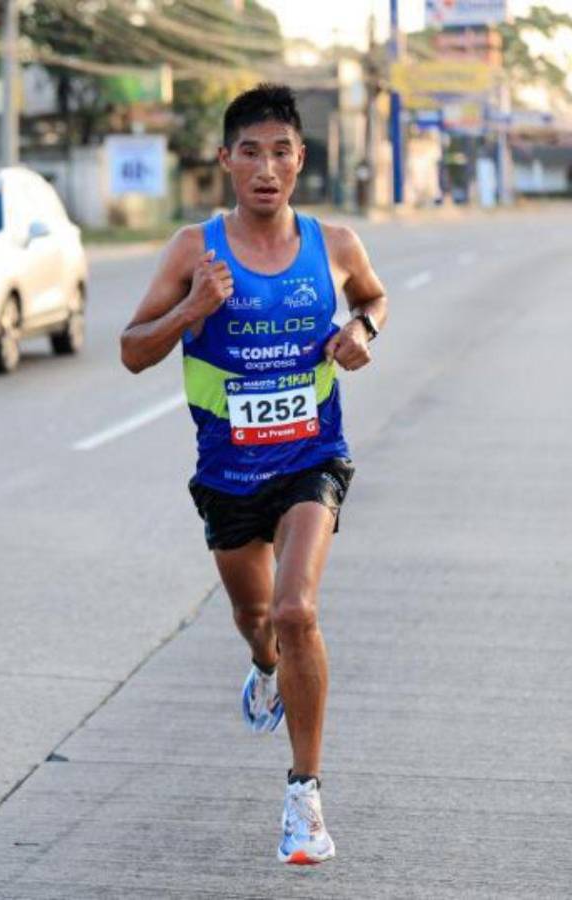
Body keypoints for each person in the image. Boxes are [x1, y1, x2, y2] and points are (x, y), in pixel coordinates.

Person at [119, 84, 388, 865]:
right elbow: (133, 351)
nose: (266, 167)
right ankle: (263, 665)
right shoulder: (190, 249)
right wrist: (192, 307)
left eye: (281, 152)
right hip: (229, 474)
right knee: (259, 619)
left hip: (313, 457)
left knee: (299, 610)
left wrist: (363, 328)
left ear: (300, 160)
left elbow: (372, 297)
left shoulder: (332, 242)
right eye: (251, 152)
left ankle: (304, 798)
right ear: (226, 161)